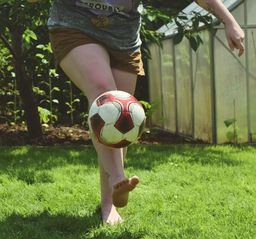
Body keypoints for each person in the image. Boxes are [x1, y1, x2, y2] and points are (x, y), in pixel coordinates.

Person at [46, 0, 245, 225]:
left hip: (124, 37)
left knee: (122, 117)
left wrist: (229, 21)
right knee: (105, 96)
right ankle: (118, 177)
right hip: (75, 23)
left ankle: (109, 203)